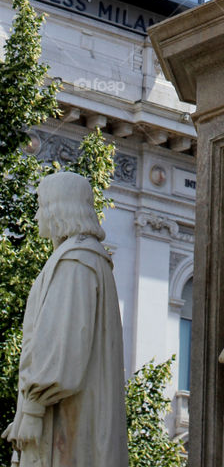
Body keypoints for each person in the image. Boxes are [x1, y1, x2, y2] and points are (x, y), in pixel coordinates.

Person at [2, 172, 128, 467]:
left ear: (58, 209)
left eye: (41, 206)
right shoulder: (83, 259)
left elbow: (63, 346)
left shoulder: (76, 262)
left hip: (64, 423)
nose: (36, 216)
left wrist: (33, 409)